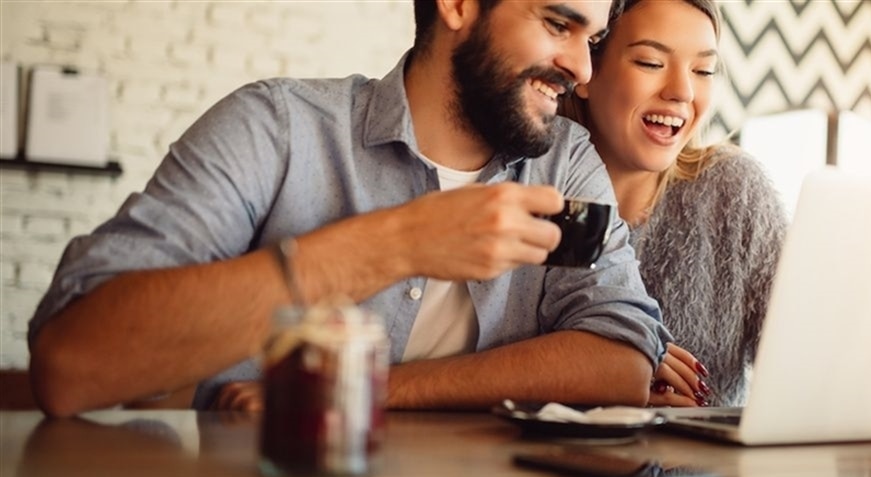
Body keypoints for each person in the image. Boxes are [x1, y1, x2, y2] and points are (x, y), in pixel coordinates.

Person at [27, 0, 672, 417]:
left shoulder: (567, 161)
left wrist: (372, 391)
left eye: (595, 37)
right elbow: (72, 365)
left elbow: (620, 363)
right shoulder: (277, 126)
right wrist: (394, 244)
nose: (583, 71)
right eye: (558, 24)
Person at [559, 0, 788, 407]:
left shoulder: (734, 195)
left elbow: (801, 364)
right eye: (650, 62)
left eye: (703, 71)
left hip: (710, 471)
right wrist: (610, 382)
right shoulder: (535, 186)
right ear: (586, 68)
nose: (682, 92)